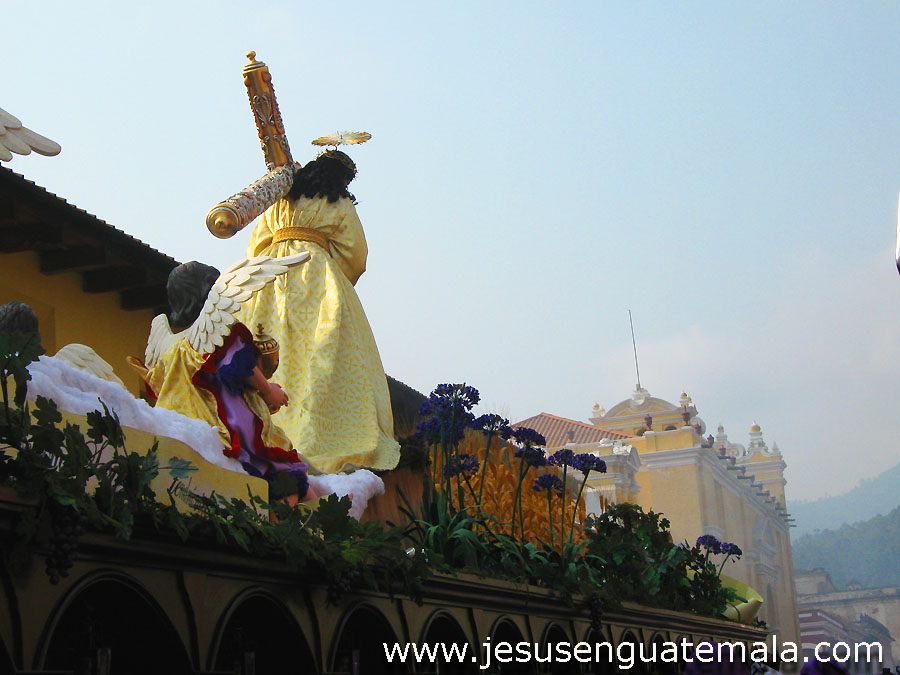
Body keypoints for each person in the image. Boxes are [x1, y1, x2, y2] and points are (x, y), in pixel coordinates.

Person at [236, 150, 400, 474]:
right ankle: (318, 432)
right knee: (322, 351)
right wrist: (336, 272)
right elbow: (355, 254)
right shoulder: (340, 202)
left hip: (271, 273)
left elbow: (256, 245)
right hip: (318, 274)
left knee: (267, 341)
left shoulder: (282, 196)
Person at [136, 261, 316, 502]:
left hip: (182, 428)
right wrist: (268, 390)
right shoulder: (219, 334)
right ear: (209, 292)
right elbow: (240, 363)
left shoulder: (168, 343)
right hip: (225, 424)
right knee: (283, 471)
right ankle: (301, 517)